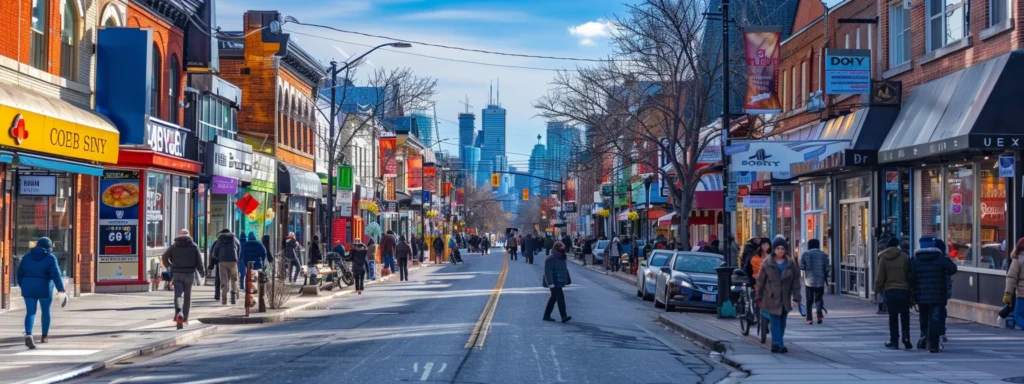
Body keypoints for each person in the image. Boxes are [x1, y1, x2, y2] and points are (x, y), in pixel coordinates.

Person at [911, 236, 957, 352]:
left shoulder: (915, 260)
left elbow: (911, 277)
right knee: (935, 318)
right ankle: (933, 344)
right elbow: (953, 269)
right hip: (937, 294)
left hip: (921, 294)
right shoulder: (940, 258)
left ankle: (924, 338)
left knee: (923, 317)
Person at [17, 237, 66, 349]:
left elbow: (19, 273)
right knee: (45, 311)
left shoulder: (26, 256)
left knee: (30, 312)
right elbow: (56, 275)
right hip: (44, 288)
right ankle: (44, 336)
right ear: (49, 247)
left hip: (28, 288)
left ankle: (28, 334)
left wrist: (23, 285)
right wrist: (61, 289)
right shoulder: (50, 258)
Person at [756, 237, 802, 353]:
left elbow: (796, 281)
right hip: (771, 296)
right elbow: (761, 280)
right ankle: (777, 344)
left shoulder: (791, 263)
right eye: (778, 248)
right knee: (775, 321)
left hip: (785, 297)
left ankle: (779, 342)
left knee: (782, 323)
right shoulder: (767, 262)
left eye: (782, 248)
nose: (780, 251)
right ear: (774, 249)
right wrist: (758, 295)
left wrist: (797, 296)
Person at [875, 237, 912, 349]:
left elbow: (880, 277)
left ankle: (894, 341)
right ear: (897, 245)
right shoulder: (905, 257)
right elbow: (909, 275)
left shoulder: (883, 258)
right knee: (905, 315)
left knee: (893, 317)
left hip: (890, 290)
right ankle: (906, 339)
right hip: (904, 290)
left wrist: (877, 290)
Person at [162, 230, 204, 330]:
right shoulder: (194, 246)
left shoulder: (174, 246)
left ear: (179, 236)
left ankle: (179, 313)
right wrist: (202, 272)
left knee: (178, 295)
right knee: (187, 296)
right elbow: (199, 261)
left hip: (177, 274)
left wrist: (170, 266)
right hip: (189, 274)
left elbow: (164, 257)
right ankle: (185, 318)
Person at [800, 239, 830, 325]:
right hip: (820, 281)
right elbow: (827, 268)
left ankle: (809, 319)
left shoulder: (805, 254)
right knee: (818, 299)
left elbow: (801, 266)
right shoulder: (824, 255)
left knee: (809, 300)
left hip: (809, 281)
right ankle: (819, 316)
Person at [543, 241, 572, 323]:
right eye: (561, 248)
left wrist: (567, 279)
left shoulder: (562, 257)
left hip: (560, 281)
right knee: (560, 297)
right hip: (553, 282)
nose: (563, 250)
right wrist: (550, 283)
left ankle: (546, 315)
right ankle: (563, 316)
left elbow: (565, 270)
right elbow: (547, 272)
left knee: (553, 298)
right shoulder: (550, 258)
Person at [211, 229, 241, 305]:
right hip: (233, 261)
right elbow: (239, 248)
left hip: (222, 262)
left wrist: (219, 258)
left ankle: (224, 300)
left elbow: (215, 251)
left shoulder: (220, 240)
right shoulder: (234, 239)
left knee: (224, 280)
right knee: (234, 279)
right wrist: (237, 258)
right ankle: (233, 297)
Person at [1004, 237, 1024, 330]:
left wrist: (1008, 294)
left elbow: (1011, 278)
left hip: (1021, 294)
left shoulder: (1018, 259)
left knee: (1018, 315)